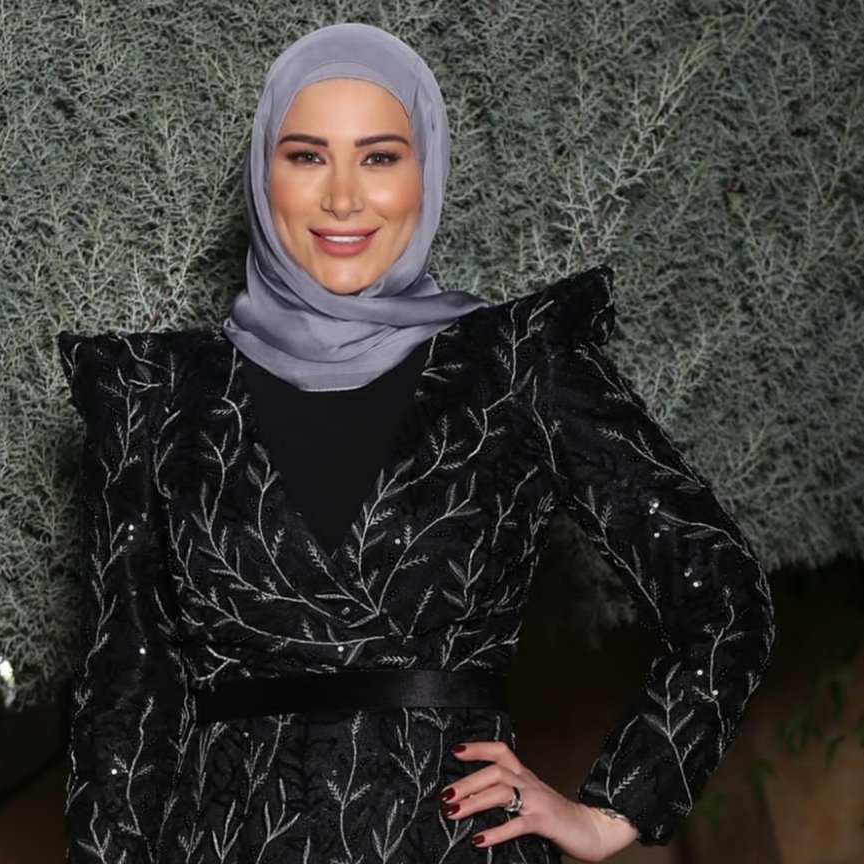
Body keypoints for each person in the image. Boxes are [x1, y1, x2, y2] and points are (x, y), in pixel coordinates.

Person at [57, 22, 777, 864]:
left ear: (424, 171)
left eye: (379, 157)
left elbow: (726, 599)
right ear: (263, 173)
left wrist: (611, 811)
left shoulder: (513, 367)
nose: (342, 199)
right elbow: (124, 695)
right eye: (306, 155)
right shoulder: (158, 396)